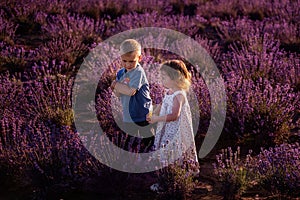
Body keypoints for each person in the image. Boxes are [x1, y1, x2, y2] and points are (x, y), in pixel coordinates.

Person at [147, 60, 199, 192]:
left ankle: (172, 183)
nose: (161, 79)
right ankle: (167, 181)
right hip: (166, 130)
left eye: (164, 76)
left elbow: (174, 116)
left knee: (173, 155)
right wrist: (152, 111)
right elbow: (162, 105)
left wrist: (157, 119)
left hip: (175, 131)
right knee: (165, 155)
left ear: (175, 77)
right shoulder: (169, 91)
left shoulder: (179, 95)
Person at [111, 39, 154, 153]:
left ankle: (152, 158)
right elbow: (117, 93)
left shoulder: (138, 72)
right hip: (128, 113)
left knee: (148, 138)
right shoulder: (120, 73)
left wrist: (116, 85)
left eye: (132, 61)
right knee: (129, 140)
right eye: (124, 61)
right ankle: (132, 162)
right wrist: (117, 88)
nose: (128, 65)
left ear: (139, 58)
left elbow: (131, 91)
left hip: (142, 112)